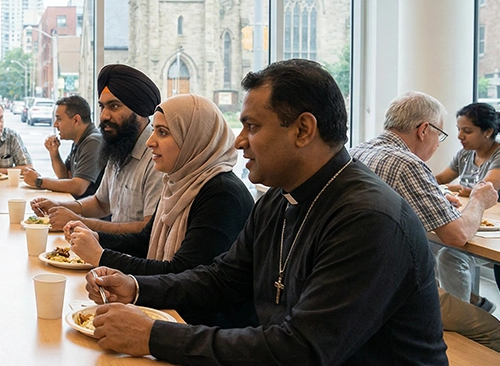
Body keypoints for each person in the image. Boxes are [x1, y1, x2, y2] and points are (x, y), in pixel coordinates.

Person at [86, 59, 446, 364]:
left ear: (303, 129)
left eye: (252, 126)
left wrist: (153, 336)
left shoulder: (367, 219)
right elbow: (223, 278)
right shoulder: (280, 197)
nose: (239, 140)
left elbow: (302, 349)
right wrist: (135, 288)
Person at [63, 94, 254, 328]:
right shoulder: (177, 181)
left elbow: (182, 271)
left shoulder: (222, 194)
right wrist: (97, 239)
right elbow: (145, 240)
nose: (150, 141)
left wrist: (102, 257)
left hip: (203, 331)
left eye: (163, 132)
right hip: (174, 317)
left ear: (193, 138)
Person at [351, 91, 500, 351]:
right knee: (495, 331)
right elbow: (457, 236)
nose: (442, 142)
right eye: (441, 135)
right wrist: (478, 201)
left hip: (358, 284)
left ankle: (468, 302)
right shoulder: (406, 163)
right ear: (423, 130)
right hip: (394, 292)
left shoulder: (358, 150)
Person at [30, 64, 163, 234]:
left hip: (132, 258)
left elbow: (148, 229)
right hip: (111, 251)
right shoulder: (119, 147)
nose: (104, 116)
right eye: (102, 107)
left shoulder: (157, 157)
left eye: (114, 106)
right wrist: (58, 207)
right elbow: (101, 203)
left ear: (138, 110)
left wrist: (79, 222)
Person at [434, 102, 500, 311]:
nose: (460, 136)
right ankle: (472, 302)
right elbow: (442, 178)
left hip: (491, 230)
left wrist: (463, 189)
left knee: (448, 255)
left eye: (467, 131)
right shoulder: (464, 154)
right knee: (424, 245)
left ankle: (464, 317)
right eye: (459, 130)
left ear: (488, 132)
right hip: (470, 222)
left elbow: (488, 189)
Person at [22, 95, 103, 198]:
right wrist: (54, 153)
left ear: (76, 120)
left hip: (88, 212)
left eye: (59, 119)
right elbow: (64, 176)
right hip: (76, 206)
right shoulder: (79, 141)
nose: (55, 125)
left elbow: (78, 187)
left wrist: (38, 181)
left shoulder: (94, 142)